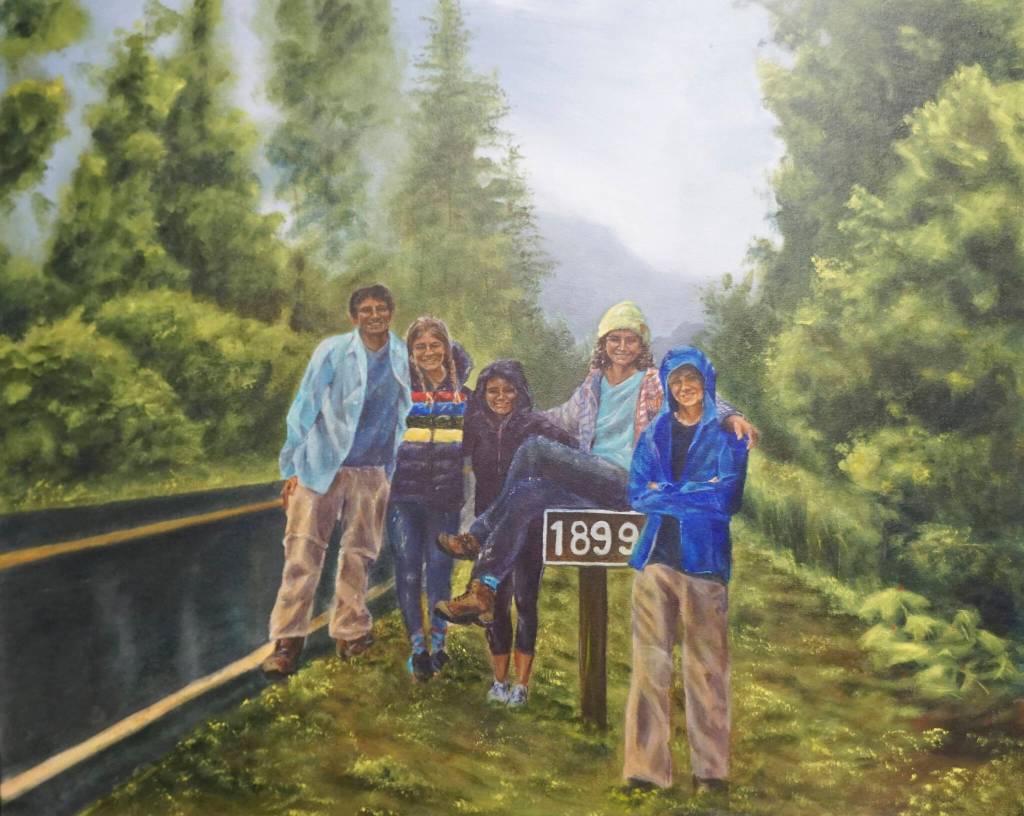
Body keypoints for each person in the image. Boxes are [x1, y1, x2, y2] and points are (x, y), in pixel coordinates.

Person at [434, 300, 757, 623]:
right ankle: (483, 590)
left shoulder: (654, 382)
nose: (622, 347)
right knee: (527, 494)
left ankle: (478, 533)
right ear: (602, 344)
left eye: (630, 339)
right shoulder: (593, 385)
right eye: (614, 339)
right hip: (594, 483)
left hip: (630, 480)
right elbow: (560, 418)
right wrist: (508, 412)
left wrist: (732, 417)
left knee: (534, 450)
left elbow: (702, 393)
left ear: (641, 344)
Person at [261, 284, 412, 677]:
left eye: (381, 308)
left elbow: (406, 411)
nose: (374, 315)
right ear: (354, 317)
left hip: (373, 469)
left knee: (360, 554)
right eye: (366, 310)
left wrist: (396, 470)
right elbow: (305, 405)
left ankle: (350, 632)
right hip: (321, 465)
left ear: (391, 313)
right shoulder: (332, 350)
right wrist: (292, 467)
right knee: (302, 553)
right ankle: (287, 642)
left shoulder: (402, 354)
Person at [622, 345, 748, 794]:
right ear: (668, 386)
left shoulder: (728, 435)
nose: (684, 387)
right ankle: (645, 770)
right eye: (676, 381)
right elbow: (638, 494)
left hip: (705, 565)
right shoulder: (654, 434)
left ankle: (712, 774)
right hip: (655, 561)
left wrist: (669, 492)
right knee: (648, 668)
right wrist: (694, 492)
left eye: (691, 379)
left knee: (707, 669)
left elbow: (725, 500)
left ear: (706, 381)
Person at [461, 360, 576, 706]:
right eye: (492, 390)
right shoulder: (475, 426)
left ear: (520, 392)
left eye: (508, 390)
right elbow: (448, 455)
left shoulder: (535, 425)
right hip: (491, 526)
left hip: (530, 527)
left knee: (526, 601)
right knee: (494, 603)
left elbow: (571, 451)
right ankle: (499, 682)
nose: (500, 397)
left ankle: (522, 686)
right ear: (482, 393)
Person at [386, 317, 472, 682]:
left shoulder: (464, 398)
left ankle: (439, 645)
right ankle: (418, 648)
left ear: (447, 348)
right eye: (420, 347)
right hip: (403, 495)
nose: (428, 352)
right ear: (411, 354)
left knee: (439, 570)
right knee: (407, 569)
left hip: (445, 498)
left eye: (435, 345)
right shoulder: (401, 393)